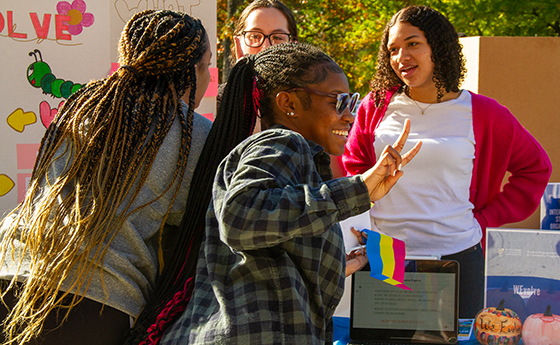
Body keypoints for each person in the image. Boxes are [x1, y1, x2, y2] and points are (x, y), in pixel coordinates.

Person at [156, 42, 421, 345]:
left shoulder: (295, 158)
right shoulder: (283, 143)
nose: (350, 115)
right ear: (289, 103)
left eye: (353, 102)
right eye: (339, 101)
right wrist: (357, 189)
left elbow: (266, 247)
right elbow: (241, 217)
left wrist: (331, 266)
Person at [0, 10, 213, 344]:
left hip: (12, 276)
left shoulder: (83, 105)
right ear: (192, 69)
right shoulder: (196, 133)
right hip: (96, 303)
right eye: (208, 65)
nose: (210, 77)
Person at [342, 5, 552, 318]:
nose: (401, 58)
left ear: (438, 46)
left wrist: (483, 222)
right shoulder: (376, 106)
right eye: (393, 50)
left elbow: (535, 168)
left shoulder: (485, 113)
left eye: (413, 44)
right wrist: (364, 211)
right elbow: (354, 166)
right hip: (384, 254)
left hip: (457, 254)